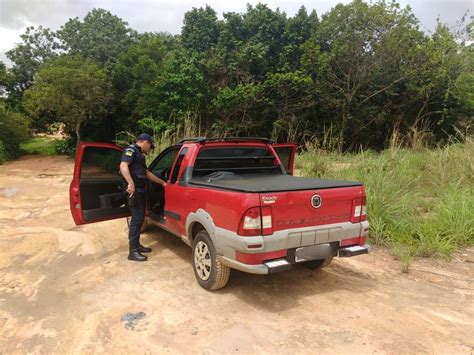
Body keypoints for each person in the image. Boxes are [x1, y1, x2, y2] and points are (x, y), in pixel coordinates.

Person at [119, 133, 166, 262]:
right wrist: (130, 182)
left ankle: (137, 245)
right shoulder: (131, 151)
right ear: (146, 142)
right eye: (150, 146)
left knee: (140, 219)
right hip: (134, 191)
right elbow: (123, 166)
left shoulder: (139, 155)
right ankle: (132, 251)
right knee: (136, 219)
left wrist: (162, 182)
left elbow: (146, 173)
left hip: (140, 190)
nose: (149, 150)